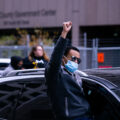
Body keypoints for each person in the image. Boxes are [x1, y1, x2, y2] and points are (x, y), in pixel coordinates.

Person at [45, 21, 92, 120]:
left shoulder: (77, 75)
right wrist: (64, 33)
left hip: (86, 115)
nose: (75, 61)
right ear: (63, 58)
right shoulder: (56, 75)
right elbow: (55, 58)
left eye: (78, 60)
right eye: (73, 58)